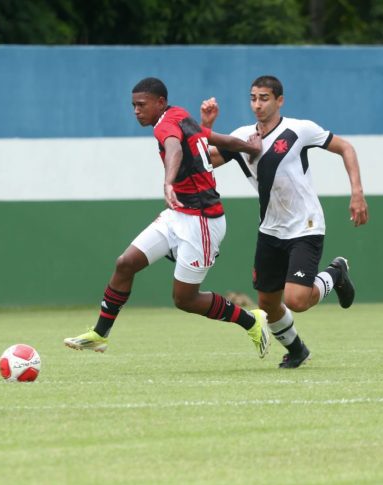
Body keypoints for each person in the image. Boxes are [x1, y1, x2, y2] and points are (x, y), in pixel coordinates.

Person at [64, 77, 271, 358]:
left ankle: (251, 321)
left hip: (202, 221)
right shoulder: (180, 115)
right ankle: (100, 334)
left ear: (160, 102)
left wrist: (168, 182)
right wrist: (249, 147)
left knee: (184, 299)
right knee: (125, 264)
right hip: (178, 214)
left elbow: (173, 148)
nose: (136, 110)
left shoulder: (165, 124)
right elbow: (212, 138)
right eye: (133, 105)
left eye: (141, 104)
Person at [200, 75, 369, 369]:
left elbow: (346, 148)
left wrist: (357, 192)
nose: (257, 105)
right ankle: (297, 350)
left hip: (306, 225)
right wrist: (207, 126)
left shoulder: (299, 130)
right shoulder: (241, 137)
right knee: (267, 303)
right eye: (253, 98)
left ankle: (336, 273)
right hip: (270, 229)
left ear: (280, 100)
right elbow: (204, 161)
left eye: (264, 98)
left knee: (297, 300)